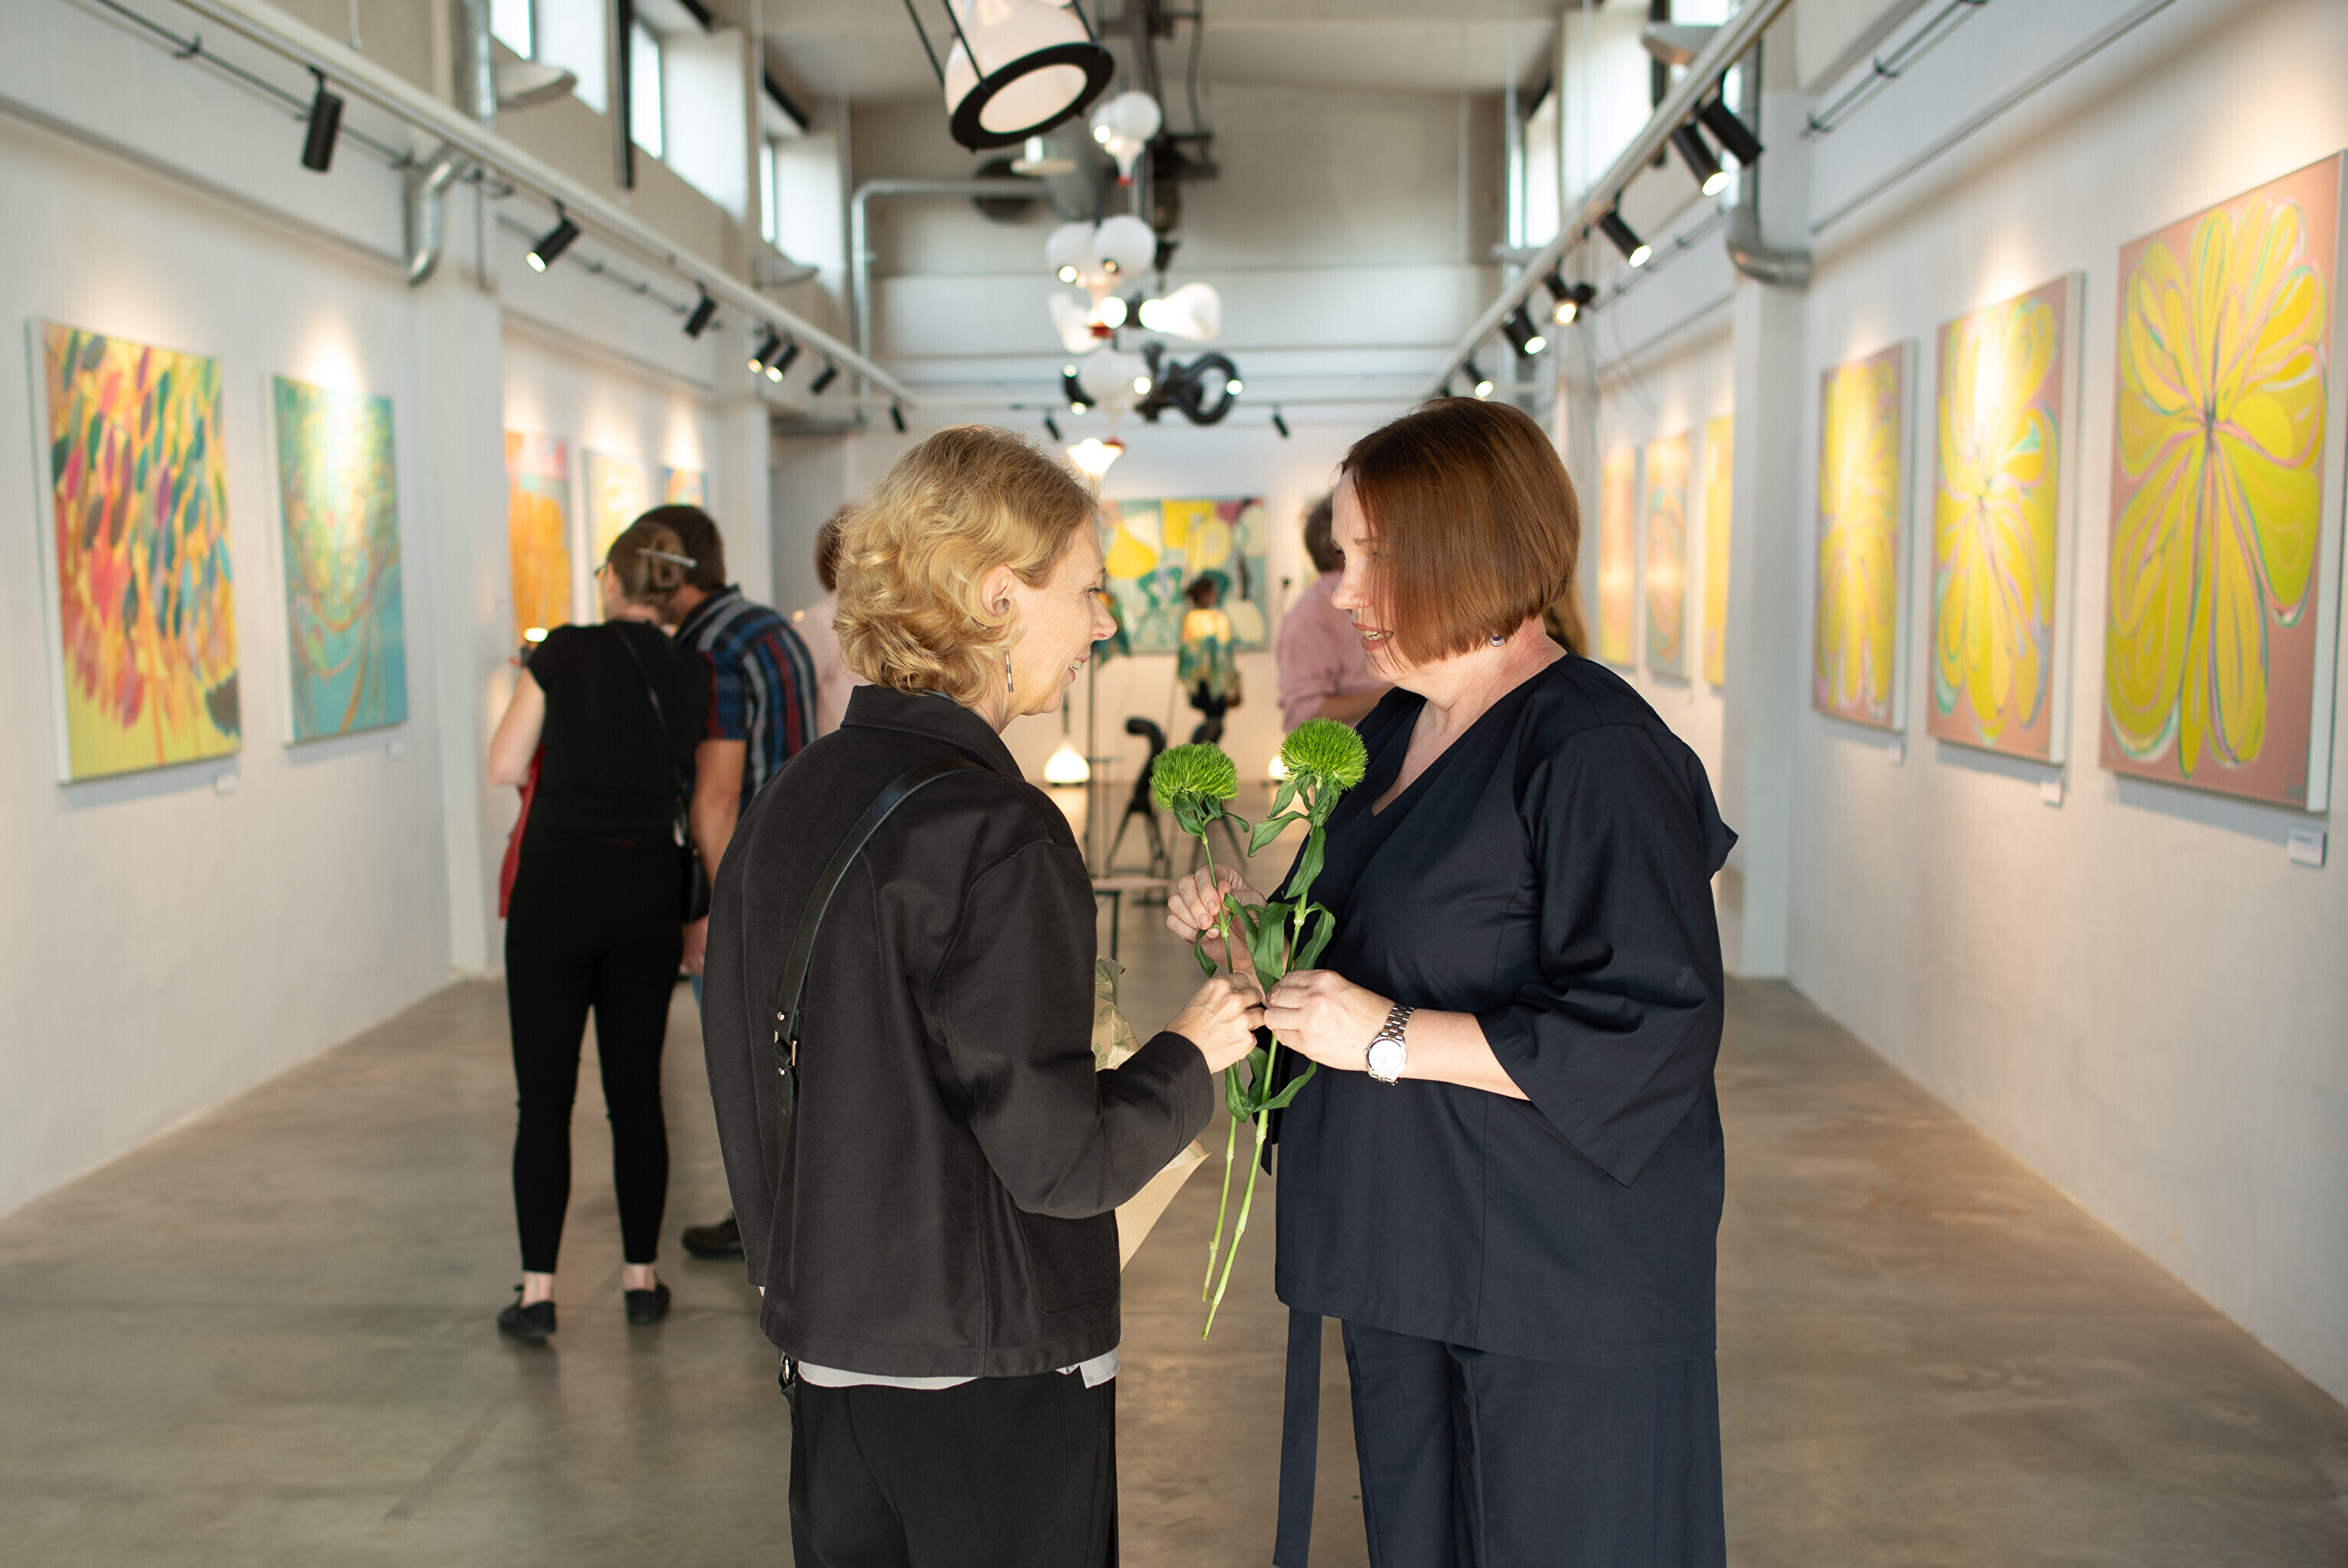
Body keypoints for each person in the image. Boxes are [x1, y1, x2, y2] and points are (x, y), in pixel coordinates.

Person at [1168, 398, 1736, 1567]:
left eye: (1370, 555)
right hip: (1410, 1253)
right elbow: (1371, 955)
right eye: (1342, 556)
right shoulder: (1393, 730)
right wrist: (1251, 952)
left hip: (1554, 1276)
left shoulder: (1593, 751)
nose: (1343, 594)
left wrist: (1384, 1035)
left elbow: (1647, 1026)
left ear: (1466, 549)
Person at [701, 424, 1262, 1568]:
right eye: (1089, 591)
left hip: (830, 1348)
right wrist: (1192, 1048)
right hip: (991, 1366)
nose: (1104, 623)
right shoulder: (997, 830)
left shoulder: (794, 795)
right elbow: (1062, 1162)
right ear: (1000, 597)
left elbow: (749, 1078)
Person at [485, 518, 709, 1339]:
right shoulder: (691, 669)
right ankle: (641, 1280)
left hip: (557, 892)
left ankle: (538, 1293)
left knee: (544, 1100)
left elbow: (504, 764)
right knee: (636, 1095)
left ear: (612, 580)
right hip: (646, 891)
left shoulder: (565, 651)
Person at [652, 505, 818, 1263]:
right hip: (796, 867)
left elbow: (715, 796)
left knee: (744, 1064)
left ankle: (767, 1222)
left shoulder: (707, 648)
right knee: (787, 1053)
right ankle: (799, 1210)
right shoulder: (769, 627)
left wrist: (717, 909)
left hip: (742, 880)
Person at [1275, 494, 1390, 730]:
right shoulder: (1309, 615)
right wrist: (1397, 696)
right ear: (1337, 546)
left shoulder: (1381, 593)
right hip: (1361, 748)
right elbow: (1303, 713)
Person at [791, 505, 865, 738]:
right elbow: (796, 700)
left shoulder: (886, 611)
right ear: (838, 561)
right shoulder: (820, 619)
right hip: (844, 749)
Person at [1176, 571, 1241, 743]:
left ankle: (1202, 753)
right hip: (1212, 681)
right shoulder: (1215, 618)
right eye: (1213, 592)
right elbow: (1224, 655)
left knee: (1213, 722)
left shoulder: (1192, 618)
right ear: (1205, 594)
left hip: (1204, 680)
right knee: (1214, 723)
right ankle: (1201, 755)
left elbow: (1188, 654)